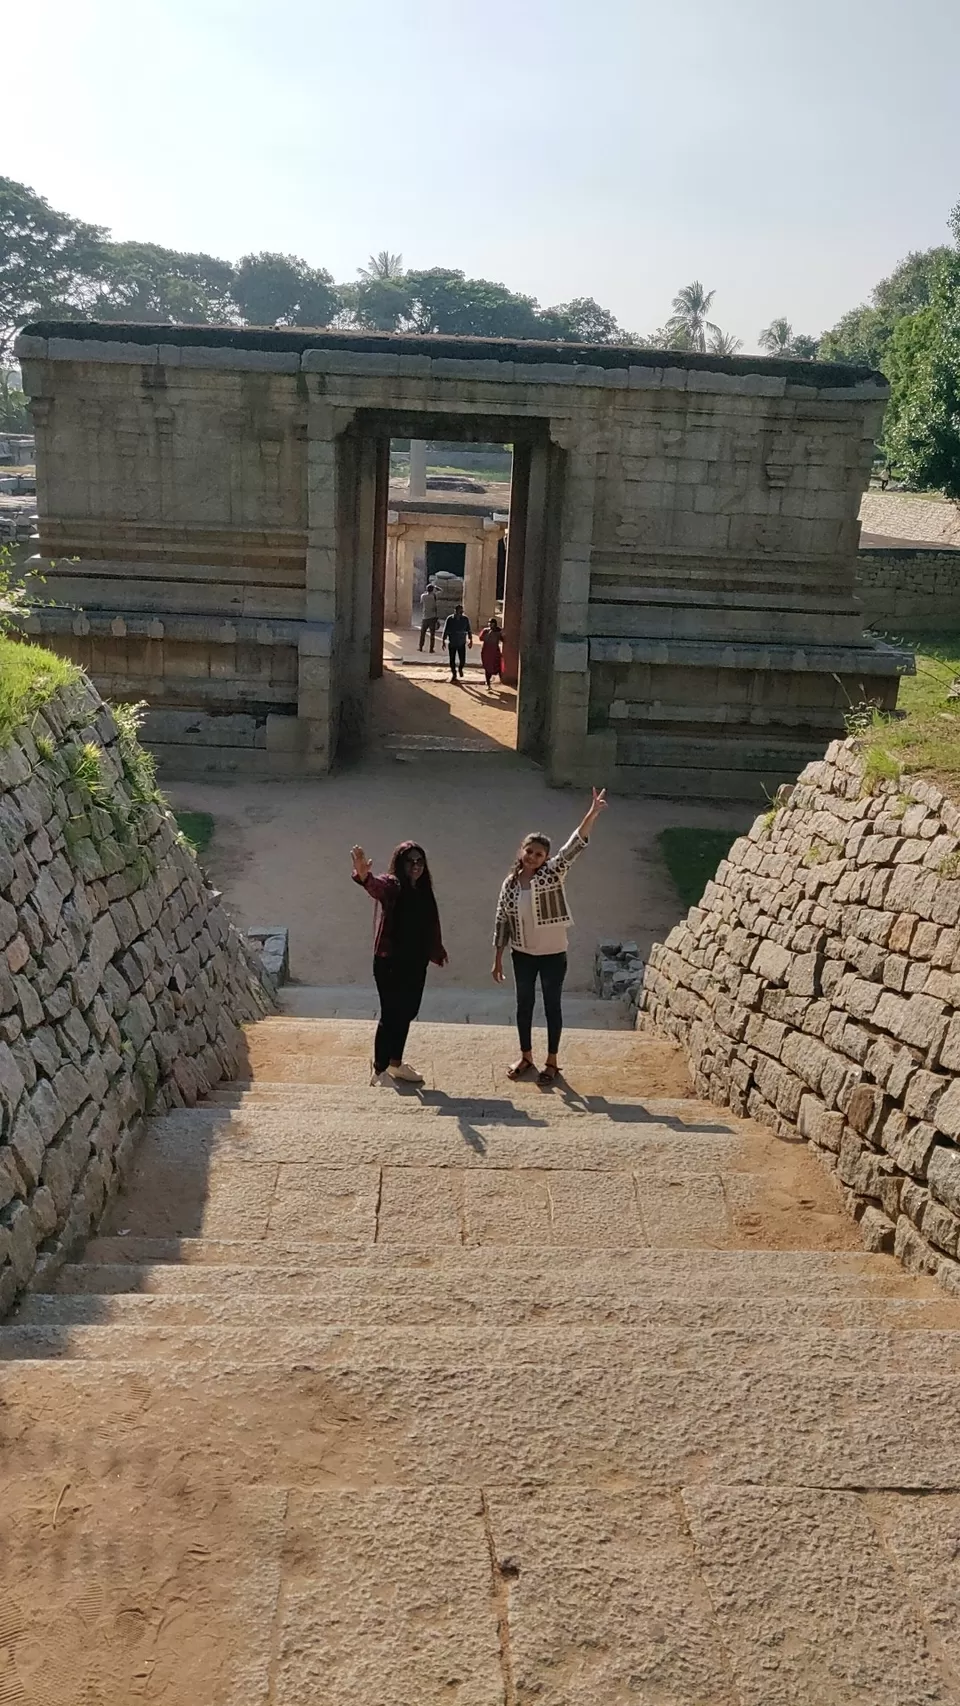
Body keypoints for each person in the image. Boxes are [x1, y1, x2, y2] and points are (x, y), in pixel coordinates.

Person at [491, 788, 608, 1086]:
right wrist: (497, 959)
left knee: (552, 1005)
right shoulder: (510, 884)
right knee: (524, 1004)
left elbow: (574, 845)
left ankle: (552, 1061)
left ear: (545, 858)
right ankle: (526, 1056)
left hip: (554, 953)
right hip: (522, 953)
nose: (532, 857)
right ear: (521, 851)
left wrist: (591, 813)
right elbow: (502, 920)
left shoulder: (553, 873)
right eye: (529, 851)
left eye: (539, 854)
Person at [351, 840, 447, 1085]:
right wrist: (364, 876)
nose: (415, 866)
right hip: (390, 962)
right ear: (400, 863)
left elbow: (430, 923)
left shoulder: (423, 889)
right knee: (391, 1014)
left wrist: (436, 949)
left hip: (415, 962)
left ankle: (396, 1062)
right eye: (410, 861)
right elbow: (377, 887)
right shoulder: (394, 885)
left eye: (419, 861)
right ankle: (379, 1070)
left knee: (407, 1012)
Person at [442, 603, 472, 681]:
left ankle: (460, 668)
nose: (460, 613)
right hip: (452, 642)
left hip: (461, 642)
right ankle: (454, 674)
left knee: (462, 660)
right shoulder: (450, 619)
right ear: (455, 611)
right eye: (458, 612)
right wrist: (443, 641)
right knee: (452, 660)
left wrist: (470, 640)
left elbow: (469, 630)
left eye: (461, 612)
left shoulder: (465, 619)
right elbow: (445, 630)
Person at [479, 617, 503, 689]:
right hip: (486, 652)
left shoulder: (498, 631)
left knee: (498, 666)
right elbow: (481, 638)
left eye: (492, 623)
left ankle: (502, 680)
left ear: (495, 624)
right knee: (487, 667)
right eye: (489, 622)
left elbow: (503, 639)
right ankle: (488, 683)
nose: (490, 624)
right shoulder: (485, 631)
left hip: (495, 652)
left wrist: (500, 632)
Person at [419, 583, 439, 653]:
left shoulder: (423, 596)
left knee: (422, 633)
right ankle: (431, 649)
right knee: (432, 635)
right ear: (432, 590)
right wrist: (436, 587)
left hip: (425, 617)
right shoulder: (434, 596)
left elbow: (421, 602)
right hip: (432, 617)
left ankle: (421, 647)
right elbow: (441, 591)